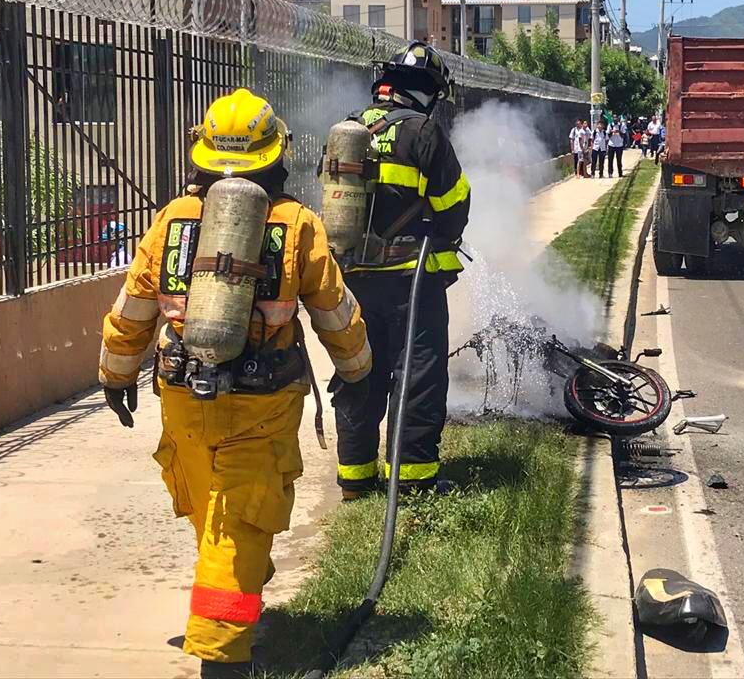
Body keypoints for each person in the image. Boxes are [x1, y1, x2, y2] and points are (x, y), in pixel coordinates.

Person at [99, 89, 371, 678]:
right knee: (238, 525)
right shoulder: (296, 224)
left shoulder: (172, 219)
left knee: (213, 519)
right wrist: (358, 371)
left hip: (182, 396)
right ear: (277, 155)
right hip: (261, 405)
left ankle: (237, 602)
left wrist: (114, 375)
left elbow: (133, 309)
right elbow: (334, 311)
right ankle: (223, 659)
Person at [334, 42, 471, 501]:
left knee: (358, 371)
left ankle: (355, 478)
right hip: (411, 279)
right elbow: (454, 205)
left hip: (352, 279)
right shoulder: (423, 133)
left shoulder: (349, 130)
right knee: (418, 374)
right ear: (428, 91)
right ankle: (413, 479)